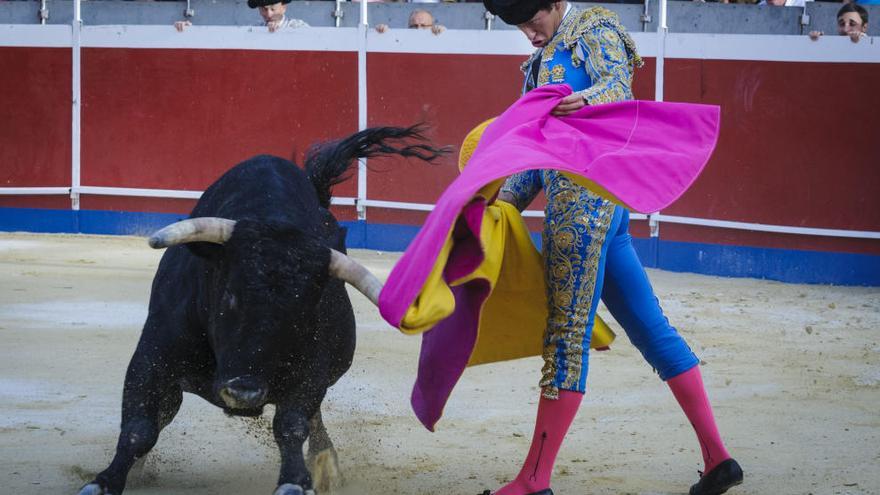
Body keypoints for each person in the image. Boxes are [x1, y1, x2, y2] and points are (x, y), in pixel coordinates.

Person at [475, 0, 744, 494]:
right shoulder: (540, 62)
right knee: (650, 328)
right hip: (599, 208)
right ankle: (717, 459)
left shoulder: (592, 27)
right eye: (519, 29)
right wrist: (497, 202)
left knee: (565, 336)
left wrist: (588, 101)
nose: (529, 37)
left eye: (532, 23)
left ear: (555, 3)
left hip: (582, 209)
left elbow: (619, 88)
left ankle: (534, 480)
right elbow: (534, 155)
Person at [174, 0, 308, 33]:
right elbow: (224, 41)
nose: (268, 14)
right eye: (263, 9)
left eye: (273, 9)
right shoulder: (253, 28)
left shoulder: (299, 27)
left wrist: (282, 33)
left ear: (284, 7)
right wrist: (190, 32)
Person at [375, 9, 446, 35]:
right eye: (414, 26)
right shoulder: (401, 41)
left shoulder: (439, 36)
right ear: (408, 27)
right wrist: (383, 32)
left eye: (423, 26)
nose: (419, 29)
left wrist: (443, 33)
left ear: (432, 26)